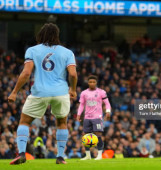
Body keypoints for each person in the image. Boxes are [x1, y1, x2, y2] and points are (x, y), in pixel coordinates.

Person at [8, 23, 77, 165]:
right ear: (57, 36)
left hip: (40, 92)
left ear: (40, 35)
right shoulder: (67, 52)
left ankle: (22, 153)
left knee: (24, 121)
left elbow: (26, 73)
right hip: (61, 92)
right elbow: (73, 74)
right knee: (62, 123)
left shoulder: (32, 50)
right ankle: (60, 157)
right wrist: (73, 89)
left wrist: (15, 92)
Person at [77, 75, 111, 160]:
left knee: (98, 135)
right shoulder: (84, 93)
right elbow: (81, 105)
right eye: (90, 82)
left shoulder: (101, 92)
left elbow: (107, 103)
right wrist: (78, 114)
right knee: (86, 136)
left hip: (97, 117)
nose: (92, 83)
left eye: (94, 82)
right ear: (88, 83)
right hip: (87, 117)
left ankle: (99, 154)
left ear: (96, 83)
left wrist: (108, 111)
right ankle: (88, 155)